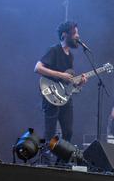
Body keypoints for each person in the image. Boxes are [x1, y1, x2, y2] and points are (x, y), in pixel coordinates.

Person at [34, 21, 89, 150]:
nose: (78, 36)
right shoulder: (54, 50)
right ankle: (46, 159)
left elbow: (68, 82)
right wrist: (60, 74)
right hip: (51, 94)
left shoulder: (70, 56)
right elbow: (37, 68)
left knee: (68, 132)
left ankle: (61, 160)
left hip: (64, 96)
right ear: (65, 35)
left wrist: (79, 83)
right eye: (75, 33)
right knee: (50, 132)